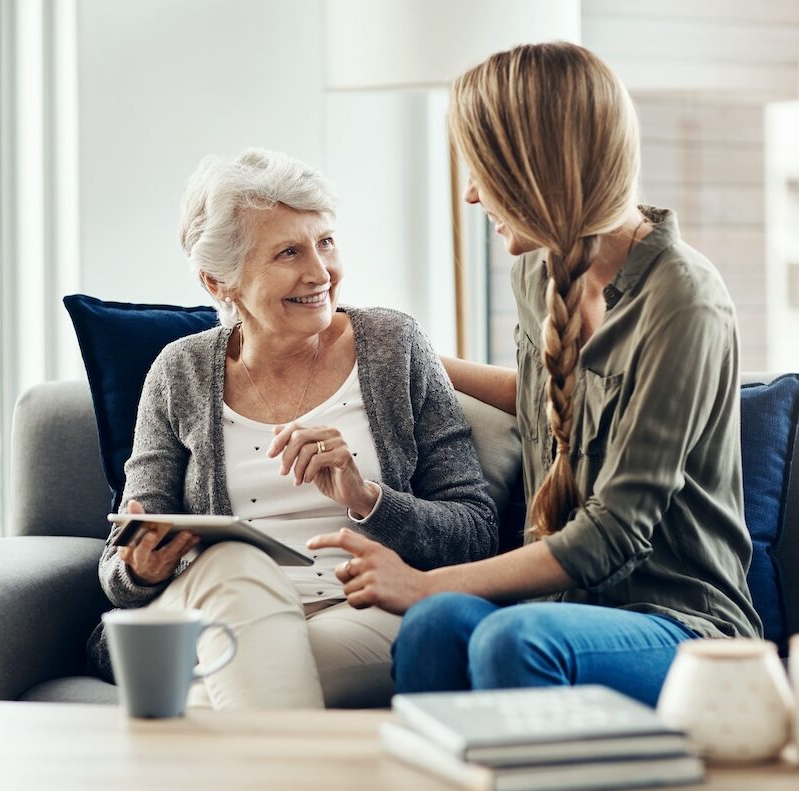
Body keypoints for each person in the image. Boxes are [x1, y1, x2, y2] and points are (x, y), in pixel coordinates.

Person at [308, 42, 761, 707]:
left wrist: (428, 580)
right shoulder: (535, 272)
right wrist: (403, 354)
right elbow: (550, 396)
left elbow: (616, 529)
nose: (468, 192)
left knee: (507, 639)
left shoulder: (683, 299)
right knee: (435, 628)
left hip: (679, 623)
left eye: (483, 170)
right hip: (552, 604)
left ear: (540, 168)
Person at [87, 147, 498, 710]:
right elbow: (121, 559)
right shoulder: (178, 372)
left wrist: (367, 498)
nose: (319, 272)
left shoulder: (393, 345)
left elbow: (476, 530)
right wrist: (139, 567)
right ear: (218, 282)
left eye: (325, 241)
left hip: (356, 612)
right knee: (232, 564)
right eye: (288, 252)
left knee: (226, 685)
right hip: (214, 607)